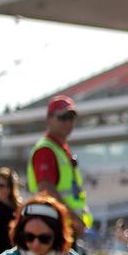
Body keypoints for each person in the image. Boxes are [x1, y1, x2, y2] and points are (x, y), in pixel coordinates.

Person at [27, 95, 93, 239]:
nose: (68, 122)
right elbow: (46, 191)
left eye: (71, 117)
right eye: (62, 117)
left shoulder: (60, 148)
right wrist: (74, 219)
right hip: (55, 226)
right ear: (49, 119)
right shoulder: (46, 150)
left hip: (63, 225)